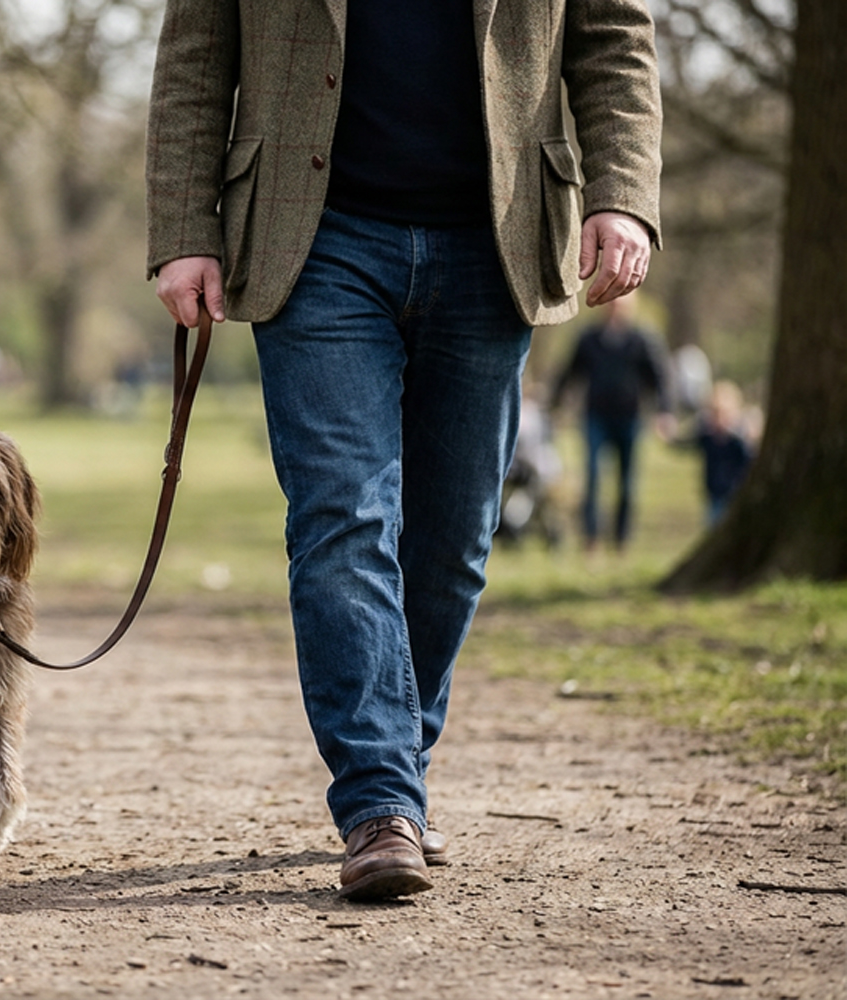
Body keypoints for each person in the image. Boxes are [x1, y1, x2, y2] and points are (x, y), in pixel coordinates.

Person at [146, 0, 661, 901]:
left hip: (497, 236)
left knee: (454, 540)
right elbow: (197, 53)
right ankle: (379, 801)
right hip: (314, 240)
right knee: (343, 516)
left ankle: (400, 769)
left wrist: (623, 194)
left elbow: (614, 39)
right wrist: (185, 229)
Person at [549, 295, 676, 552]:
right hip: (595, 416)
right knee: (593, 476)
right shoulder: (589, 338)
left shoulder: (642, 339)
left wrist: (665, 411)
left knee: (627, 481)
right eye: (612, 304)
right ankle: (591, 539)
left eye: (621, 305)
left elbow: (660, 377)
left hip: (630, 418)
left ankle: (621, 539)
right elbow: (570, 371)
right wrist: (555, 404)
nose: (616, 309)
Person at [690, 380, 755, 525]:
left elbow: (750, 459)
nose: (719, 420)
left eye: (723, 415)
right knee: (713, 522)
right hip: (714, 492)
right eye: (714, 415)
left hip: (734, 492)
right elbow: (687, 443)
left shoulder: (737, 442)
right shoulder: (706, 438)